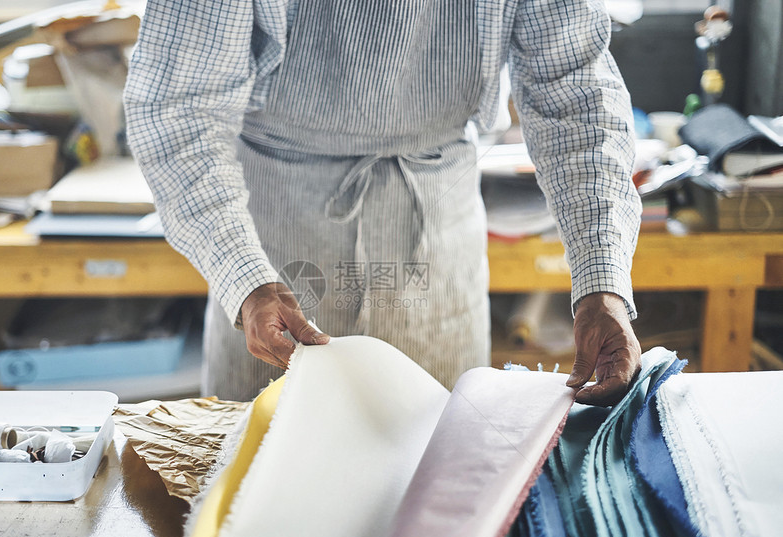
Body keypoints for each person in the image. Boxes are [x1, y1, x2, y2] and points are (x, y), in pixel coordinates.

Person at [124, 0, 642, 406]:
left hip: (437, 239)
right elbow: (177, 111)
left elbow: (576, 97)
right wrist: (245, 279)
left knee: (434, 491)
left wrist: (603, 282)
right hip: (274, 240)